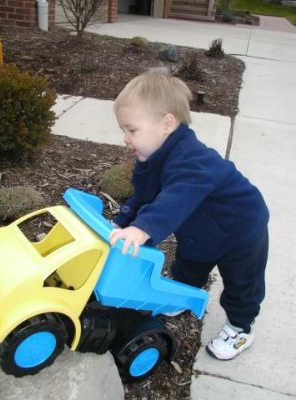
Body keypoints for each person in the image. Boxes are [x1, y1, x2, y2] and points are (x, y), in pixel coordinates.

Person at [109, 69, 269, 361]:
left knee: (242, 282)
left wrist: (142, 228)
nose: (125, 138)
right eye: (123, 130)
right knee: (189, 265)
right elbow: (145, 196)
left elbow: (175, 198)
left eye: (132, 130)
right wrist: (123, 221)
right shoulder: (150, 157)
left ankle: (241, 328)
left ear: (166, 124)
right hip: (200, 228)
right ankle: (183, 296)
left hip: (240, 228)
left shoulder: (193, 158)